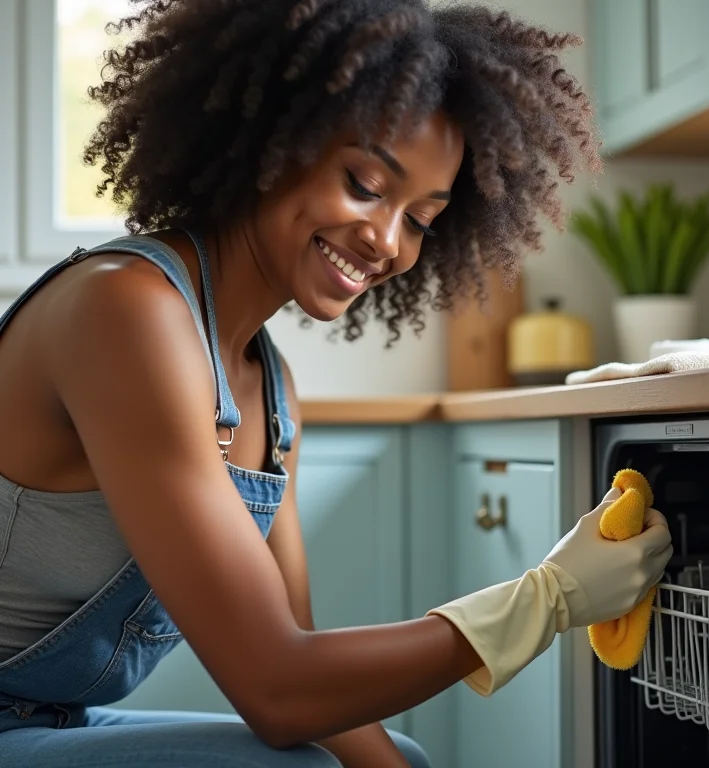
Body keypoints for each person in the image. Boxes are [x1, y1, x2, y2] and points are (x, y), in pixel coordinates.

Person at [0, 1, 673, 766]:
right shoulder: (126, 310)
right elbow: (278, 691)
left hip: (47, 723)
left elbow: (302, 666)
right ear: (269, 143)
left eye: (421, 219)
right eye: (365, 182)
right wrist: (544, 600)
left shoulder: (270, 386)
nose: (387, 240)